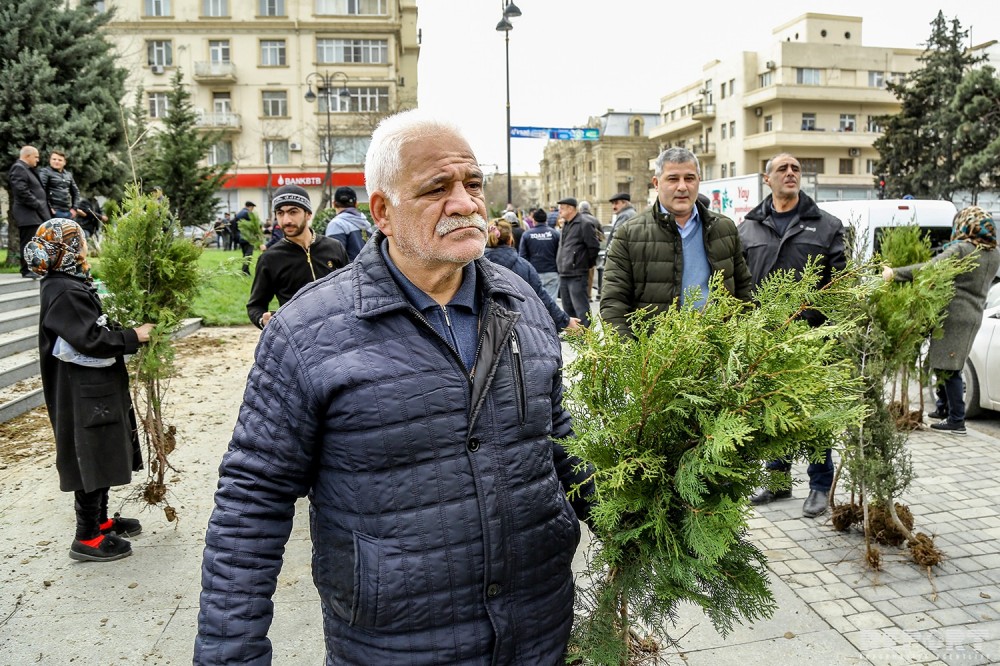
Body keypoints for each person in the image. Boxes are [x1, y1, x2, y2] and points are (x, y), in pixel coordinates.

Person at [196, 110, 594, 665]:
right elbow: (252, 498)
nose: (465, 203)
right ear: (382, 210)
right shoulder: (305, 333)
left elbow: (557, 441)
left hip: (537, 628)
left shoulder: (521, 301)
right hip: (396, 642)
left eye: (473, 184)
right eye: (437, 188)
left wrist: (647, 521)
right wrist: (230, 653)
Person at [23, 219, 153, 562]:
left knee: (103, 447)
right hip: (81, 391)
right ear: (65, 250)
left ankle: (101, 520)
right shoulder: (63, 290)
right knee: (89, 453)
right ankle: (87, 537)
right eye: (78, 242)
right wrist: (132, 337)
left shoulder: (69, 282)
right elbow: (89, 338)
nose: (84, 247)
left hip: (93, 386)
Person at [739, 152, 846, 518]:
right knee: (774, 411)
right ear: (766, 179)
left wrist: (818, 323)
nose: (790, 173)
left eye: (796, 169)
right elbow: (739, 284)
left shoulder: (827, 226)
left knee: (814, 417)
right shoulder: (748, 228)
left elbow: (840, 286)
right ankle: (778, 481)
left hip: (812, 341)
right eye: (782, 169)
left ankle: (819, 486)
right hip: (766, 340)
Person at [600, 147, 752, 339]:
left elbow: (744, 290)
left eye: (689, 178)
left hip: (717, 353)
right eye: (673, 179)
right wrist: (631, 357)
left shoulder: (724, 228)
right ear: (656, 183)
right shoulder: (629, 234)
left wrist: (742, 341)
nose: (682, 187)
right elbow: (614, 302)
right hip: (656, 358)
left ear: (698, 180)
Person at [883, 206, 1000, 436]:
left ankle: (956, 420)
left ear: (965, 224)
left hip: (954, 316)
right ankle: (942, 408)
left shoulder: (963, 249)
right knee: (943, 362)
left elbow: (929, 268)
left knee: (950, 367)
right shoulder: (994, 253)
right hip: (973, 315)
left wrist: (894, 274)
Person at [245, 184, 347, 329]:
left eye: (293, 212)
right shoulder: (270, 259)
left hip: (340, 332)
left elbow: (349, 292)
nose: (286, 220)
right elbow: (255, 306)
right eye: (280, 213)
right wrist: (264, 321)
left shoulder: (334, 248)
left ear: (308, 214)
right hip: (299, 340)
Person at [486, 217, 580, 333]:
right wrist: (565, 321)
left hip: (482, 330)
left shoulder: (473, 265)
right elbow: (541, 298)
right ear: (510, 239)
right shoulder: (524, 267)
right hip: (517, 330)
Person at [555, 196, 600, 327]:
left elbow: (594, 247)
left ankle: (586, 336)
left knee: (581, 308)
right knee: (567, 307)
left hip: (577, 273)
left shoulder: (584, 223)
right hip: (564, 272)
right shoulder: (566, 224)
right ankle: (574, 334)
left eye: (562, 208)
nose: (560, 211)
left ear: (571, 208)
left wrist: (584, 264)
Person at [9, 146, 51, 278]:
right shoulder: (19, 168)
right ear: (27, 156)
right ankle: (27, 269)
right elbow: (21, 191)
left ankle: (35, 267)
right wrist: (37, 204)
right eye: (36, 157)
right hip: (27, 212)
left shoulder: (27, 169)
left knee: (35, 241)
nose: (37, 160)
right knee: (28, 241)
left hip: (33, 213)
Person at [519, 207, 561, 298]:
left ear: (533, 220)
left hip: (534, 272)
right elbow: (560, 254)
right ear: (546, 220)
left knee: (536, 302)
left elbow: (522, 256)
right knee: (551, 302)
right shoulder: (555, 234)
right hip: (552, 271)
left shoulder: (527, 235)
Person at [324, 185, 373, 261]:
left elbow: (334, 259)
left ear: (334, 204)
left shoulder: (336, 225)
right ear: (356, 204)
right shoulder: (367, 225)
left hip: (349, 272)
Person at [38, 150, 81, 219]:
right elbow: (41, 191)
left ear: (64, 162)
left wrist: (74, 208)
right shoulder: (45, 172)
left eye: (60, 160)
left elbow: (76, 192)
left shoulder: (68, 175)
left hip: (68, 212)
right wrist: (49, 208)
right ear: (50, 160)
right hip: (53, 211)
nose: (56, 161)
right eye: (54, 159)